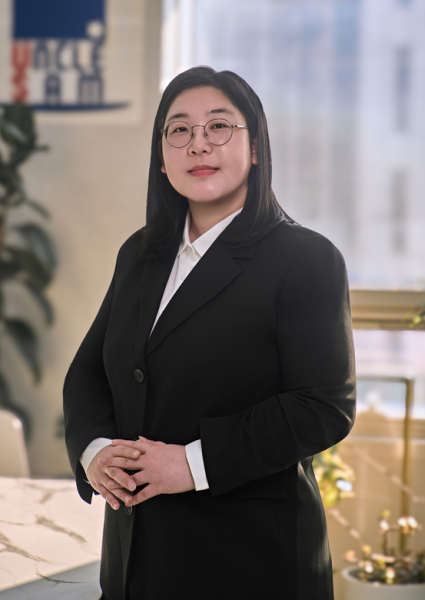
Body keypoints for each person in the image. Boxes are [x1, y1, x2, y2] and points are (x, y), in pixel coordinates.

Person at [63, 66, 356, 600]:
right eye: (179, 130)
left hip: (248, 564)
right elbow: (89, 370)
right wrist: (95, 450)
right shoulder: (140, 254)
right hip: (133, 562)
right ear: (161, 156)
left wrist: (190, 463)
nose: (198, 144)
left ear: (256, 147)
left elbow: (323, 405)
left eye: (219, 126)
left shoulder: (306, 258)